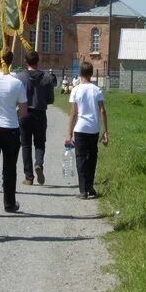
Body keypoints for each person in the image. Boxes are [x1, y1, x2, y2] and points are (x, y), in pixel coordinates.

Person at [0, 51, 27, 215]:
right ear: (11, 61)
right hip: (11, 127)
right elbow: (23, 110)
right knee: (10, 168)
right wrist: (13, 114)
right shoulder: (16, 82)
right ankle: (9, 203)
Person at [65, 62, 109, 200]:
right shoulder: (97, 90)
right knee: (92, 158)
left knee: (81, 158)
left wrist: (69, 133)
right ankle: (90, 186)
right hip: (93, 129)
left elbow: (73, 114)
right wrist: (105, 131)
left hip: (80, 128)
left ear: (80, 73)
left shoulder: (76, 90)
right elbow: (102, 110)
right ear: (91, 74)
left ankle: (83, 189)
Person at [17, 50, 55, 186]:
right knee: (39, 142)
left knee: (26, 145)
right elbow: (51, 99)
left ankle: (29, 177)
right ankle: (39, 163)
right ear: (38, 61)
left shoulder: (19, 77)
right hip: (40, 113)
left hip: (24, 113)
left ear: (25, 62)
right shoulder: (47, 78)